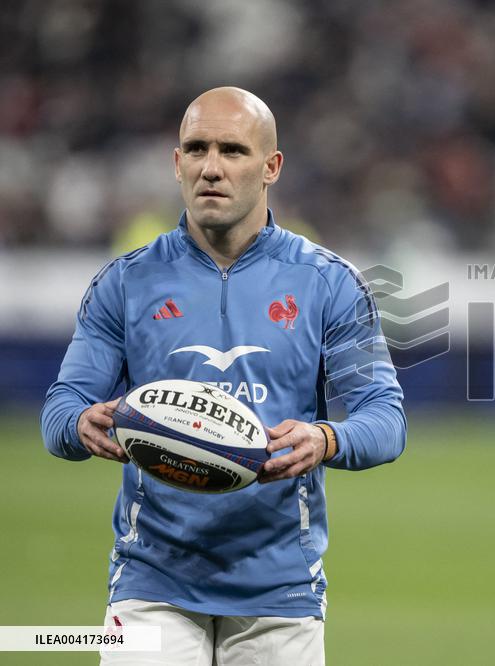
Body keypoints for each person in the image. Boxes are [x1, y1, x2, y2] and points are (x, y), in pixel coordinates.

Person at [40, 87, 406, 664]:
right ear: (176, 162)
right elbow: (60, 407)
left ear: (271, 167)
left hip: (279, 588)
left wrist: (327, 437)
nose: (211, 167)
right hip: (152, 581)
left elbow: (386, 419)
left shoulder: (328, 283)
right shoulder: (126, 282)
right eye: (197, 148)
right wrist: (77, 424)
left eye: (233, 150)